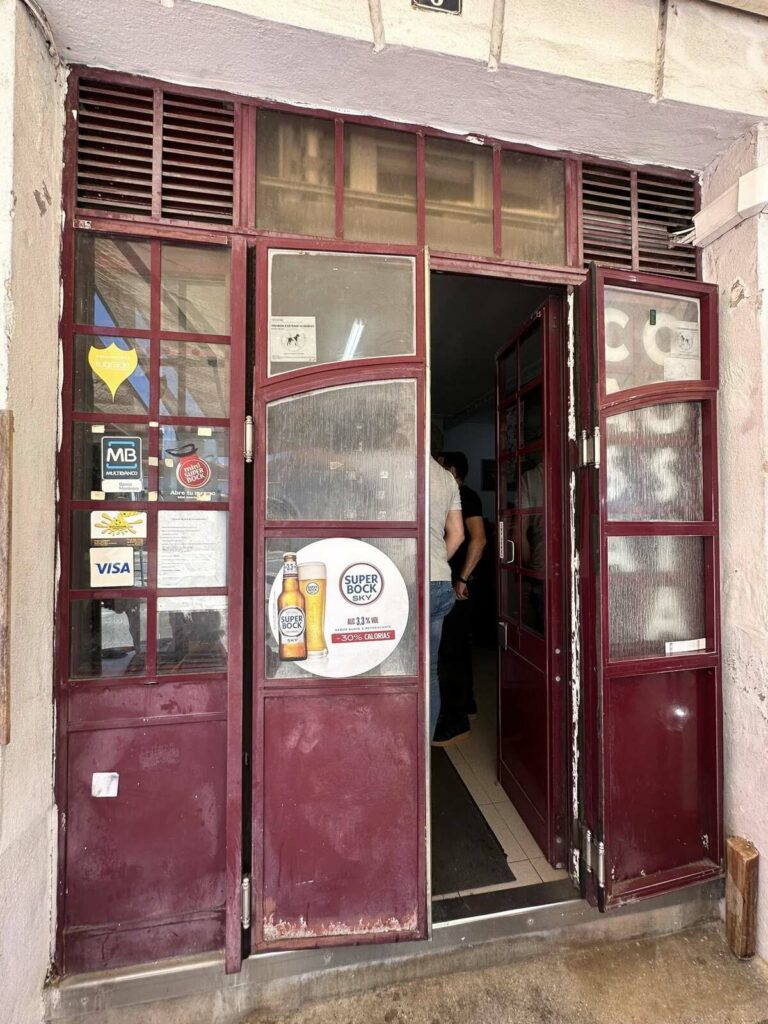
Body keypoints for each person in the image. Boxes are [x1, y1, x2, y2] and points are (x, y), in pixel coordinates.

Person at [436, 451, 487, 744]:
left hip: (459, 585)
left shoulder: (464, 496)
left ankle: (455, 720)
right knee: (458, 649)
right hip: (456, 582)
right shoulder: (453, 495)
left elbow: (479, 538)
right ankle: (467, 705)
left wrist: (462, 579)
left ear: (452, 470)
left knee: (449, 653)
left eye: (440, 465)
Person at [429, 455, 464, 744]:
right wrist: (437, 561)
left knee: (396, 670)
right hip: (440, 581)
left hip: (407, 581)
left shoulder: (396, 467)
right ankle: (424, 749)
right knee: (430, 671)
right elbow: (458, 535)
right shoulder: (446, 478)